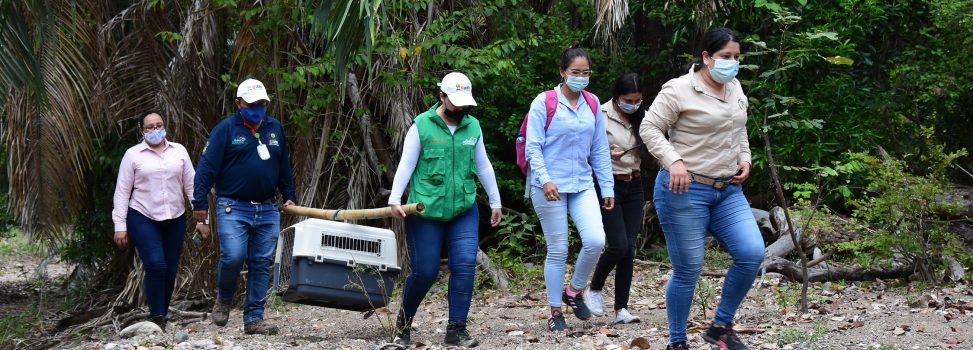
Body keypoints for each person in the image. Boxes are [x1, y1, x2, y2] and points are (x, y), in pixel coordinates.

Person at [639, 27, 764, 350]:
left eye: (736, 57)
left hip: (727, 190)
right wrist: (673, 161)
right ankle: (677, 342)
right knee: (689, 270)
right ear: (707, 57)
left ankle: (720, 327)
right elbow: (649, 127)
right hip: (685, 189)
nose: (732, 63)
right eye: (725, 57)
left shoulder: (734, 87)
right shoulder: (679, 89)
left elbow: (740, 129)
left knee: (751, 253)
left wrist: (745, 158)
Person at [388, 72, 503, 348]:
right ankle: (403, 326)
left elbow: (483, 164)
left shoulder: (473, 126)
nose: (461, 109)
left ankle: (456, 330)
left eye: (465, 104)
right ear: (442, 96)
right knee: (425, 271)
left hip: (463, 208)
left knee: (464, 265)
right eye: (456, 103)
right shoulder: (422, 126)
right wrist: (394, 199)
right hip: (425, 210)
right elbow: (406, 164)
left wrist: (495, 200)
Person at [192, 78, 297, 335]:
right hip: (232, 206)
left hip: (268, 207)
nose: (257, 108)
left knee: (261, 262)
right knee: (234, 256)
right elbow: (206, 168)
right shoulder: (225, 130)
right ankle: (224, 297)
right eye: (251, 104)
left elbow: (283, 166)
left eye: (261, 104)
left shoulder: (275, 129)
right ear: (239, 103)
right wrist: (199, 202)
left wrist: (289, 194)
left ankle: (254, 319)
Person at [525, 46, 615, 332]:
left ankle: (574, 291)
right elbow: (533, 147)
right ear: (563, 72)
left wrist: (607, 187)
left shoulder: (592, 102)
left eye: (585, 72)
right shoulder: (544, 102)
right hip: (549, 184)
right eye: (575, 72)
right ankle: (554, 312)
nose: (580, 77)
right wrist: (545, 178)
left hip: (582, 183)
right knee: (558, 249)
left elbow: (600, 148)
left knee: (596, 240)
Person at [112, 112, 201, 331]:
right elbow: (122, 192)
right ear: (142, 131)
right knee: (156, 264)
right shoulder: (133, 155)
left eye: (159, 125)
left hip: (175, 217)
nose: (155, 130)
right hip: (142, 215)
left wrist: (202, 217)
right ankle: (157, 317)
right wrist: (120, 226)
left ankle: (163, 310)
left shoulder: (179, 151)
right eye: (150, 127)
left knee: (170, 269)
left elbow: (191, 185)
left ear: (165, 127)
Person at [585, 73, 646, 325]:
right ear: (617, 97)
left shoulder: (643, 115)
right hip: (608, 185)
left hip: (635, 184)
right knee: (617, 245)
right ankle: (595, 288)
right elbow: (586, 149)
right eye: (628, 100)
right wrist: (607, 153)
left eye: (637, 99)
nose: (633, 104)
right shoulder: (599, 113)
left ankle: (622, 308)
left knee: (629, 249)